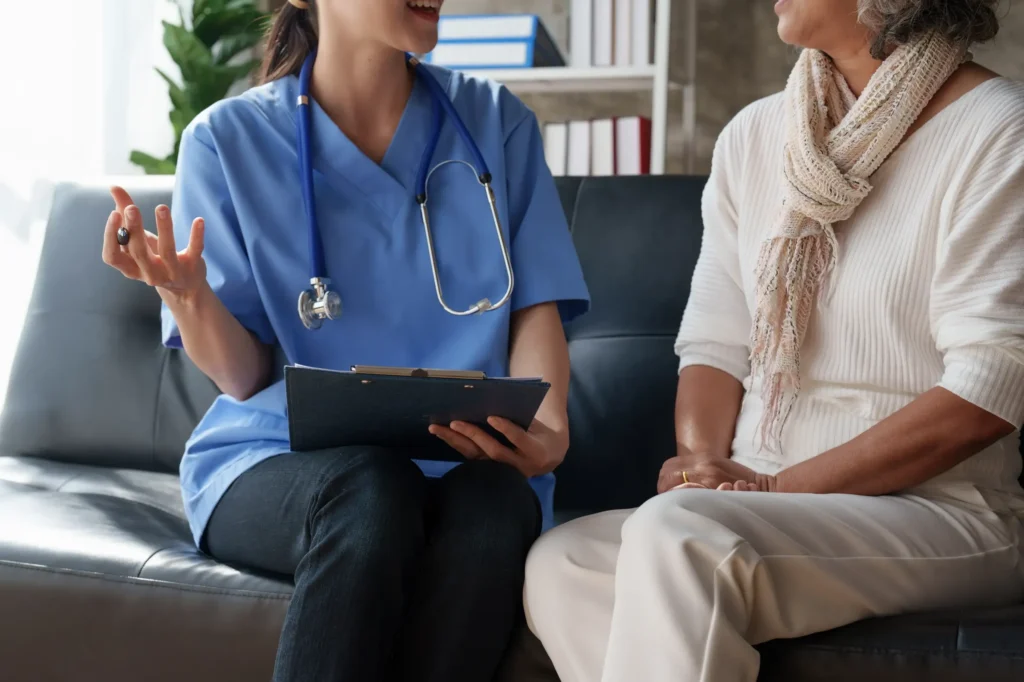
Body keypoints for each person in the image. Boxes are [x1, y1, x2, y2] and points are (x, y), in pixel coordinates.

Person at [522, 0, 1024, 680]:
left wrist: (777, 488)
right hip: (759, 497)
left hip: (939, 509)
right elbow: (714, 342)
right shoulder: (755, 135)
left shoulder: (998, 130)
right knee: (566, 562)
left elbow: (988, 388)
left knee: (680, 540)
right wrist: (702, 465)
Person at [100, 0, 590, 680]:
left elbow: (533, 305)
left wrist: (551, 430)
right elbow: (242, 378)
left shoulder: (495, 123)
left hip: (465, 462)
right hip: (277, 461)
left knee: (498, 507)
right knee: (372, 489)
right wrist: (188, 297)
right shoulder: (226, 141)